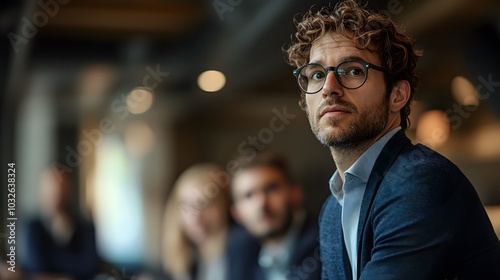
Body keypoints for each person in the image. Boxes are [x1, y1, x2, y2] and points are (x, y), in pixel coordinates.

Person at [284, 1, 500, 279]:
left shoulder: (421, 181)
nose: (328, 88)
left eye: (352, 71)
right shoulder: (331, 210)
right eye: (316, 75)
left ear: (398, 95)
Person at [227, 151, 321, 280]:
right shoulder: (241, 254)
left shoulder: (325, 242)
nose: (261, 204)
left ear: (296, 193)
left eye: (271, 188)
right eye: (248, 195)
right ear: (236, 213)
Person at [23, 168, 101, 280]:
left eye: (61, 187)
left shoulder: (85, 227)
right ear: (41, 190)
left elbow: (90, 267)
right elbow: (36, 267)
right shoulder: (33, 226)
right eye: (51, 188)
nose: (56, 193)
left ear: (69, 189)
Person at [158, 163, 231, 280]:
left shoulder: (240, 246)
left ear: (225, 204)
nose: (195, 216)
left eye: (205, 204)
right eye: (186, 206)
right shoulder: (191, 259)